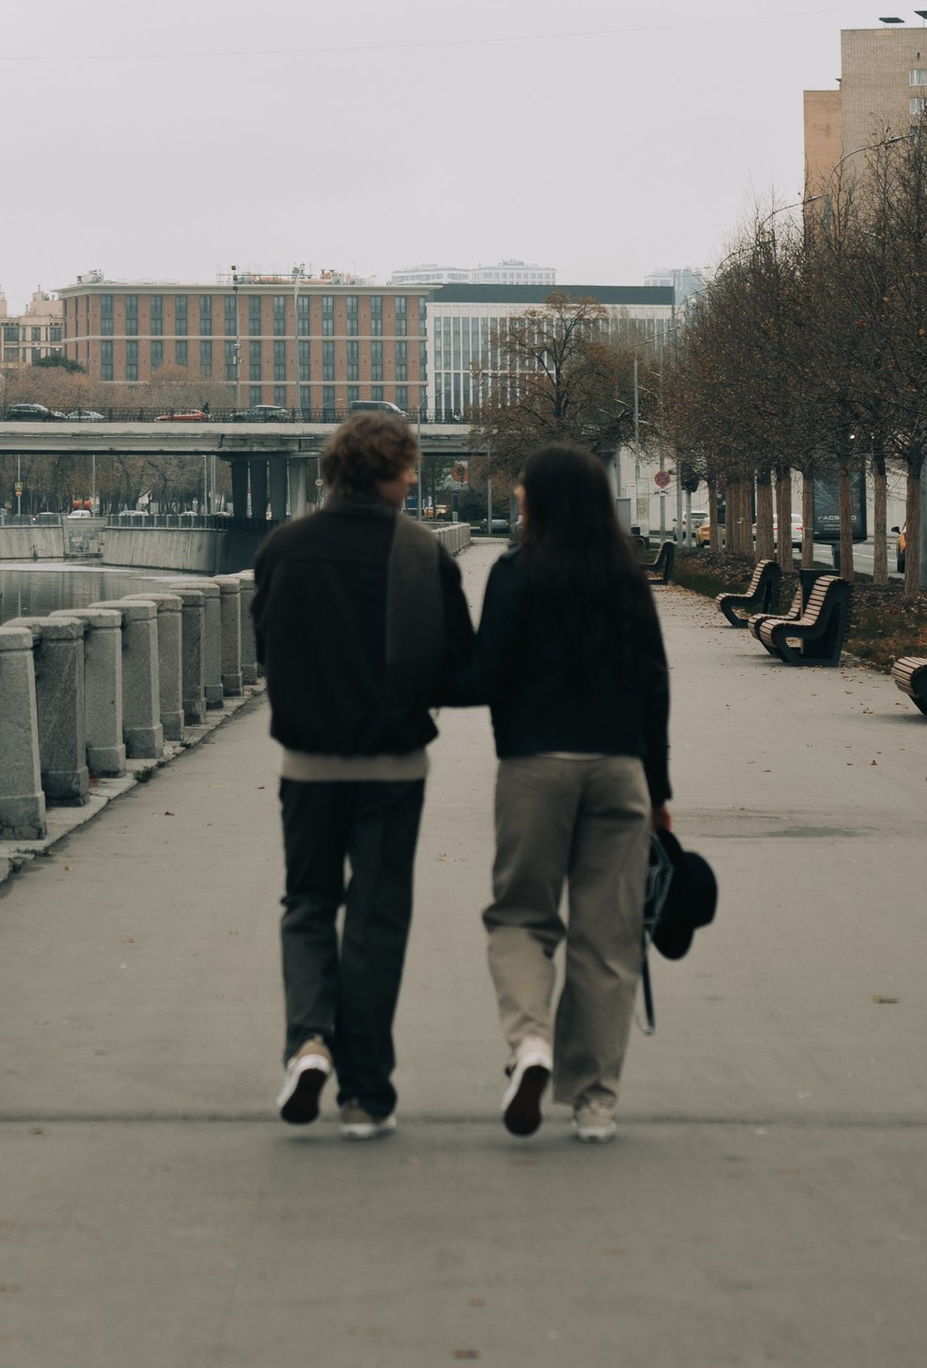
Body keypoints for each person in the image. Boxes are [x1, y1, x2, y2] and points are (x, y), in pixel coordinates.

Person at [251, 408, 474, 1139]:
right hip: (392, 766)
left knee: (308, 903)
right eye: (409, 467)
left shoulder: (284, 548)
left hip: (308, 765)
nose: (415, 479)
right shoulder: (419, 552)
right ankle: (365, 1094)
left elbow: (266, 647)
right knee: (375, 920)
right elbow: (458, 667)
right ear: (390, 472)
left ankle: (309, 1040)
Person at [443, 441, 673, 1144]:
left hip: (536, 768)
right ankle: (596, 1102)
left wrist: (413, 677)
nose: (515, 495)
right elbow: (653, 686)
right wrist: (658, 788)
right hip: (620, 771)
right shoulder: (625, 578)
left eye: (522, 488)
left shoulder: (516, 574)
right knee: (609, 940)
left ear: (540, 499)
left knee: (521, 916)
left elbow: (482, 678)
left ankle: (532, 1043)